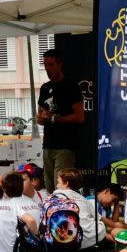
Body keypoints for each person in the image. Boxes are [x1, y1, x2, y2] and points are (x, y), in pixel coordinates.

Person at [36, 48, 86, 183]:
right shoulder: (45, 88)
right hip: (48, 144)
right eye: (45, 65)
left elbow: (80, 116)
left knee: (62, 183)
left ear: (60, 65)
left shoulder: (71, 87)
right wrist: (42, 118)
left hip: (65, 145)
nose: (47, 68)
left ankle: (63, 204)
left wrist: (55, 118)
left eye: (51, 65)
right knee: (48, 184)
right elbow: (39, 117)